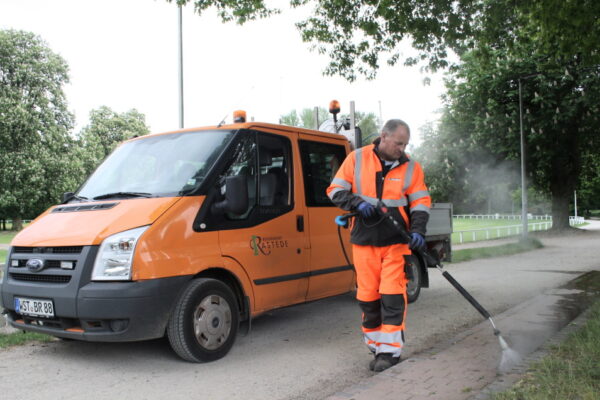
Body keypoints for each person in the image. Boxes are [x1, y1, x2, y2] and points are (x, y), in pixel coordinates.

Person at [326, 119, 431, 372]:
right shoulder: (356, 159)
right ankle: (375, 347)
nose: (401, 149)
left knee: (393, 297)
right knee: (368, 298)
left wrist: (417, 231)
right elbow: (334, 190)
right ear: (384, 136)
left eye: (405, 144)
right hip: (364, 242)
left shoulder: (411, 168)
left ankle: (390, 353)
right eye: (398, 143)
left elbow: (420, 202)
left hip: (396, 244)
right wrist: (356, 203)